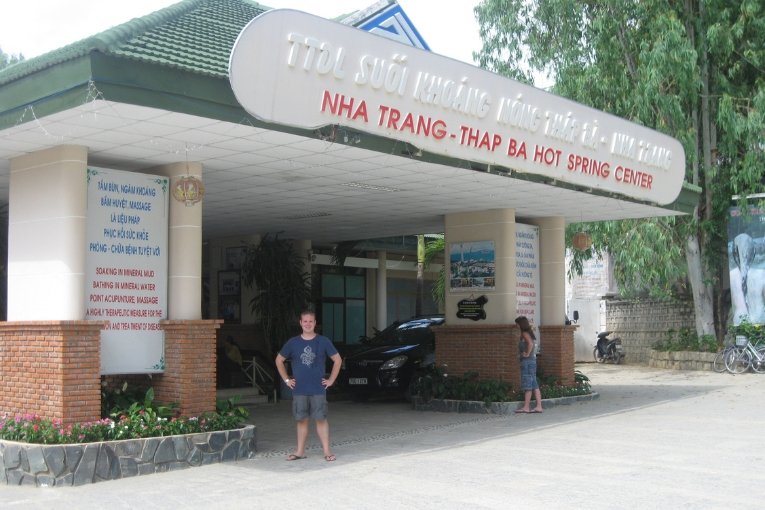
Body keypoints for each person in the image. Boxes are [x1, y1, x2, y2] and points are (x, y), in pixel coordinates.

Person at [275, 309, 342, 462]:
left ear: (315, 323)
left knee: (321, 419)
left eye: (310, 321)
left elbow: (337, 360)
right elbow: (278, 360)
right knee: (302, 420)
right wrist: (287, 380)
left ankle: (327, 451)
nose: (307, 324)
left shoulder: (323, 341)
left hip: (318, 388)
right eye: (305, 321)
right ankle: (299, 451)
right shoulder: (293, 342)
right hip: (299, 390)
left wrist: (331, 379)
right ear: (300, 323)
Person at [514, 316, 543, 414]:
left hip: (527, 362)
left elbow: (530, 344)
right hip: (532, 361)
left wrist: (526, 353)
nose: (516, 326)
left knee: (528, 384)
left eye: (517, 324)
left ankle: (526, 407)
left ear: (520, 324)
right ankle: (539, 406)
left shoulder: (524, 334)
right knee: (534, 384)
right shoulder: (529, 333)